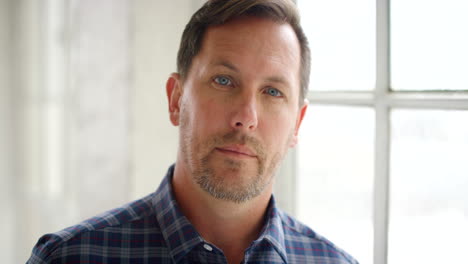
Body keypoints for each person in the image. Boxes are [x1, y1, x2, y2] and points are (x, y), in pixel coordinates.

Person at [28, 0, 359, 263]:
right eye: (224, 81)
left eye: (273, 92)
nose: (246, 117)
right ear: (176, 99)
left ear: (296, 125)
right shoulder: (69, 258)